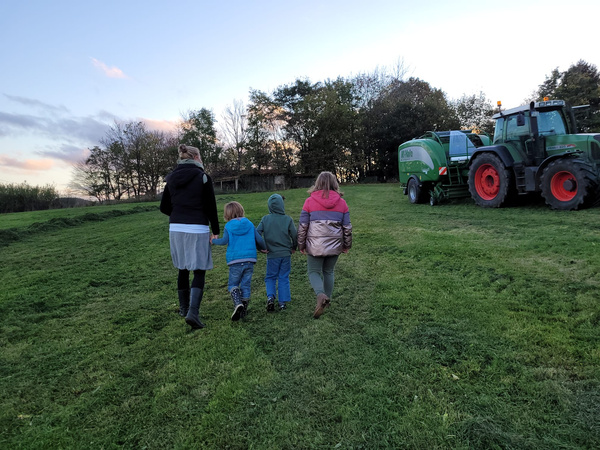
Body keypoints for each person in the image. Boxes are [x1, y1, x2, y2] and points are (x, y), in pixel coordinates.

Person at [160, 144, 220, 330]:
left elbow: (164, 207)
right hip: (197, 227)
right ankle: (193, 312)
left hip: (176, 228)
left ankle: (184, 309)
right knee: (199, 269)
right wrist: (215, 230)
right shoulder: (203, 177)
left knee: (183, 268)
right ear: (195, 157)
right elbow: (211, 207)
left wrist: (178, 214)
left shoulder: (171, 179)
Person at [297, 171, 352, 319]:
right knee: (329, 271)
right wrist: (346, 245)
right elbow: (347, 227)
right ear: (335, 183)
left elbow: (303, 226)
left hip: (315, 246)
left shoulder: (309, 201)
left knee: (313, 271)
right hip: (335, 246)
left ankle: (321, 295)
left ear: (318, 183)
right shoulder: (342, 203)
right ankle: (326, 299)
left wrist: (301, 245)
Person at [211, 201, 266, 321]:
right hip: (249, 260)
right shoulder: (249, 224)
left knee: (233, 284)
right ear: (241, 210)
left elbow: (224, 241)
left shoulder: (228, 226)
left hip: (235, 261)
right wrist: (263, 248)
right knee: (246, 285)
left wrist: (213, 241)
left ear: (227, 214)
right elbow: (259, 239)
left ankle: (238, 303)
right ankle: (243, 310)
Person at [256, 194, 298, 312]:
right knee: (283, 277)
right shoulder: (288, 219)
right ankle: (282, 303)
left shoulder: (265, 219)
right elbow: (295, 235)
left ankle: (270, 297)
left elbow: (257, 233)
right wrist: (294, 247)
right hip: (285, 254)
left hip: (272, 255)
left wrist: (261, 247)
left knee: (270, 277)